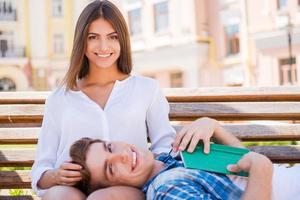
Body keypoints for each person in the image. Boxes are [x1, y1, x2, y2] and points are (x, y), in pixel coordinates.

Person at [31, 0, 179, 199]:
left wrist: (140, 169)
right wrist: (56, 175)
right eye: (93, 37)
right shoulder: (60, 99)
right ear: (81, 41)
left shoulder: (146, 89)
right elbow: (41, 168)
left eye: (112, 37)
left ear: (122, 41)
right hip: (72, 188)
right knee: (61, 196)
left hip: (130, 188)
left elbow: (165, 148)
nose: (103, 46)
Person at [69, 118, 300, 200]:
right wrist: (262, 168)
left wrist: (214, 127)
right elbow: (257, 169)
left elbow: (241, 168)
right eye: (111, 168)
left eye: (110, 147)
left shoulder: (171, 155)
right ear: (117, 187)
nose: (120, 155)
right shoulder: (167, 190)